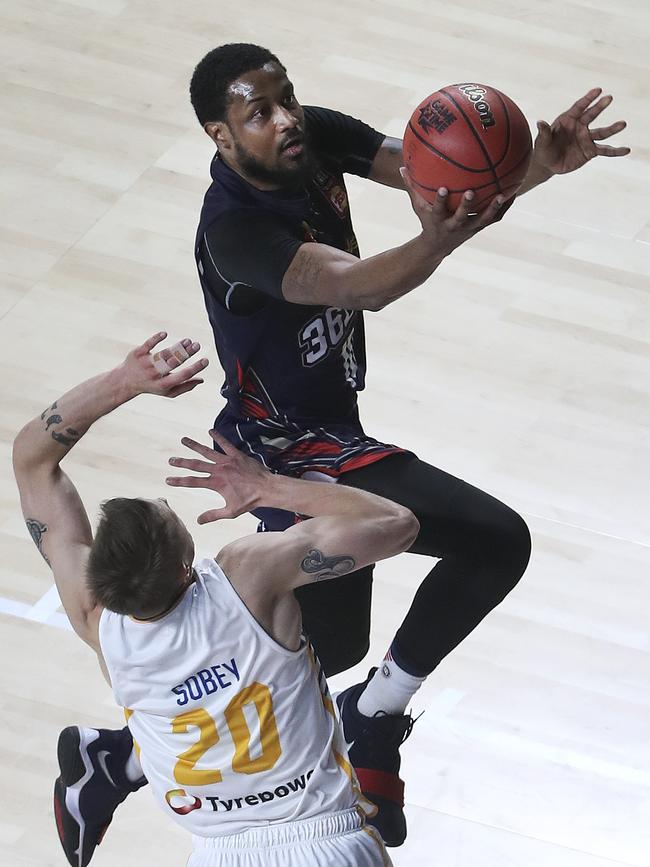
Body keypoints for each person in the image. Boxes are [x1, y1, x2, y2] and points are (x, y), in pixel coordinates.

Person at [53, 43, 631, 862]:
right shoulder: (236, 235)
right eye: (260, 112)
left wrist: (531, 166)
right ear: (222, 135)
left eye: (286, 97)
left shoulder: (313, 138)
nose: (286, 117)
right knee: (494, 542)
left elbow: (439, 181)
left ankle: (122, 757)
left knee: (330, 647)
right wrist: (439, 240)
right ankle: (366, 719)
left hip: (333, 431)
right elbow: (359, 284)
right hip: (286, 449)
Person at [13, 332, 420, 867]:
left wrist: (123, 382)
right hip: (320, 840)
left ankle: (117, 763)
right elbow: (396, 523)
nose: (164, 500)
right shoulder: (246, 577)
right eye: (167, 510)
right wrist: (267, 488)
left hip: (217, 853)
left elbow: (30, 460)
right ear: (186, 564)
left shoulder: (98, 621)